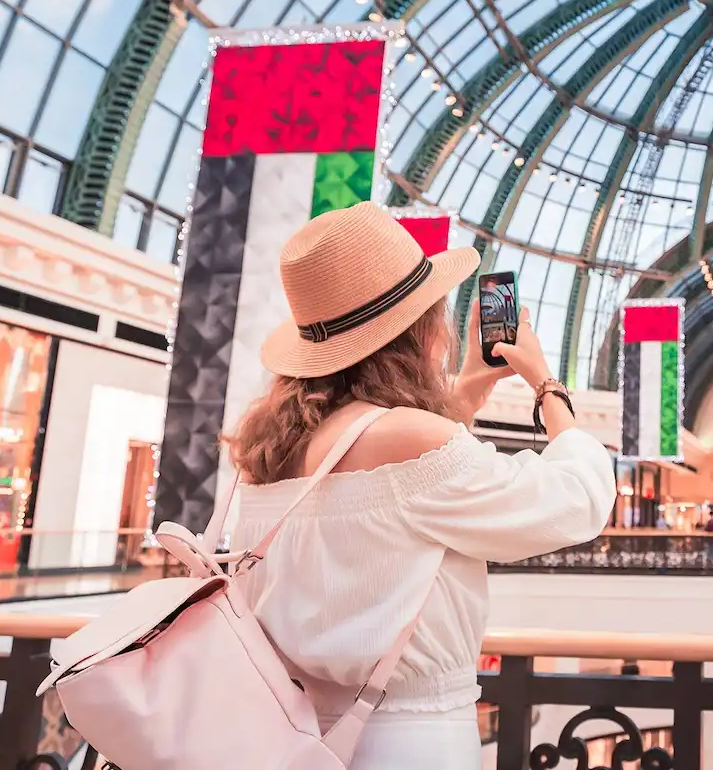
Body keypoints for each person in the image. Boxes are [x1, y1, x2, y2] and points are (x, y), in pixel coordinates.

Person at [224, 203, 614, 769]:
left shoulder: (272, 447)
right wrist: (546, 384)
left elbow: (389, 492)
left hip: (293, 734)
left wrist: (472, 390)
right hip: (406, 740)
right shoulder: (411, 439)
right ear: (420, 330)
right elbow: (577, 501)